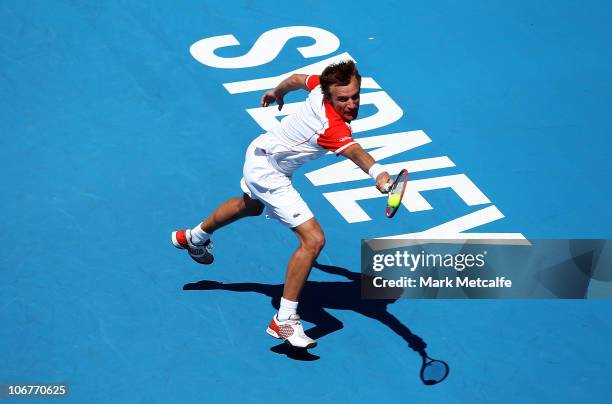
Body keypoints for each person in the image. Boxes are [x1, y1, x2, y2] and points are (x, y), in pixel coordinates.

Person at [172, 60, 391, 349]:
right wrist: (379, 174)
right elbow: (355, 152)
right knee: (313, 240)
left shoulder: (318, 87)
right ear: (328, 96)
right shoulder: (333, 127)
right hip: (269, 172)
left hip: (261, 154)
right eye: (343, 99)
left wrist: (277, 93)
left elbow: (298, 78)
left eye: (355, 97)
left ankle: (192, 237)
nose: (351, 104)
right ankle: (284, 319)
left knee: (249, 206)